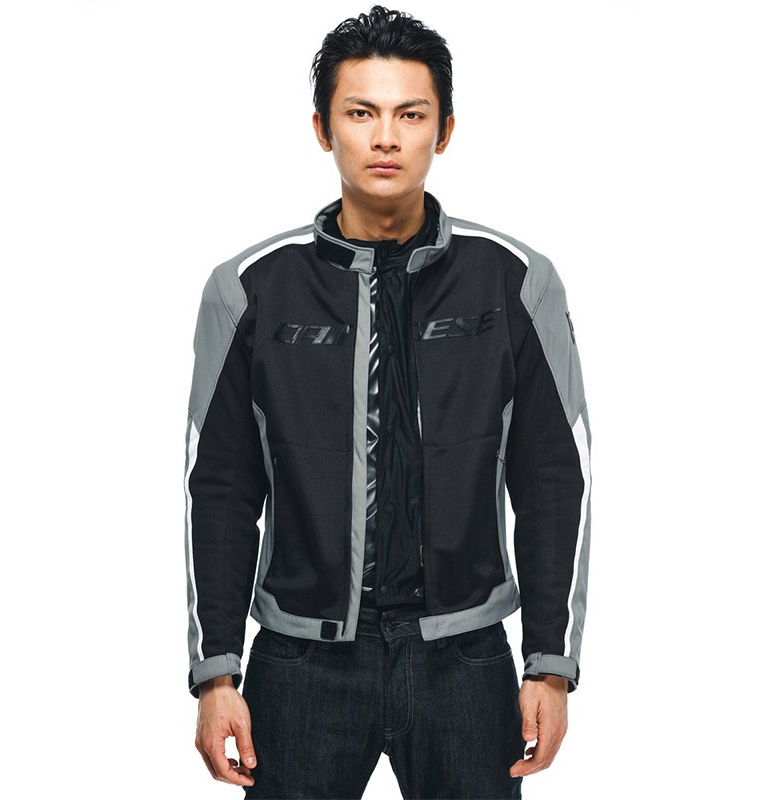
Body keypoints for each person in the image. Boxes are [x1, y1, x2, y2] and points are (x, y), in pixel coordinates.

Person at [183, 5, 592, 798]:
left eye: (411, 114)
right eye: (361, 113)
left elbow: (553, 476)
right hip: (300, 665)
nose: (385, 138)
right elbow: (221, 487)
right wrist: (216, 673)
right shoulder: (249, 289)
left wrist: (550, 663)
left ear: (444, 130)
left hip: (465, 661)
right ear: (322, 128)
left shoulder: (515, 280)